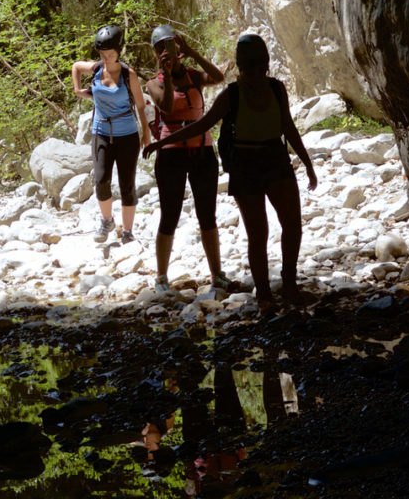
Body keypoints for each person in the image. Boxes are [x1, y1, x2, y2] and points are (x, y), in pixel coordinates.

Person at [144, 33, 317, 311]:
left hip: (256, 162)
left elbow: (208, 123)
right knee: (274, 229)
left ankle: (276, 288)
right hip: (263, 162)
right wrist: (163, 141)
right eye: (254, 64)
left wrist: (308, 163)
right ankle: (275, 289)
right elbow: (200, 121)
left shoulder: (259, 90)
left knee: (271, 230)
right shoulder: (253, 91)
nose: (255, 69)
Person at [144, 24, 234, 294]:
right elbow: (167, 106)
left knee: (208, 214)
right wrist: (168, 76)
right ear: (155, 53)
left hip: (202, 151)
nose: (166, 51)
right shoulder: (153, 83)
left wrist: (192, 52)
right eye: (160, 48)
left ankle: (217, 273)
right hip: (171, 154)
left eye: (169, 45)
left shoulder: (195, 76)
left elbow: (219, 77)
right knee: (169, 214)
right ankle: (161, 277)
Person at [71, 24, 150, 243]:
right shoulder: (96, 69)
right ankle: (107, 220)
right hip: (101, 132)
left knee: (127, 183)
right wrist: (78, 90)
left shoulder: (128, 75)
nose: (107, 58)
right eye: (103, 54)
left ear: (119, 52)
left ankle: (127, 231)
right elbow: (76, 66)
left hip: (127, 135)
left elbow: (141, 106)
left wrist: (146, 133)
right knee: (101, 180)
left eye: (111, 54)